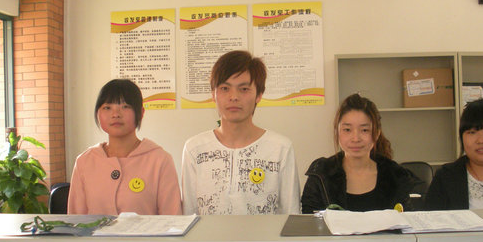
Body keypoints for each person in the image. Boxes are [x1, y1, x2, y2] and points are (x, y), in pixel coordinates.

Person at [181, 50, 300, 215]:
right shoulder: (194, 149)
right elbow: (189, 214)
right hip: (208, 234)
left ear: (259, 95)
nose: (233, 97)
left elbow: (291, 214)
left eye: (244, 89)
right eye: (224, 88)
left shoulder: (280, 149)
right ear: (213, 94)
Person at [68, 79, 182, 215]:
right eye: (107, 108)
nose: (115, 114)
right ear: (98, 113)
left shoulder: (160, 160)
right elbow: (76, 219)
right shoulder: (84, 162)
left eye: (125, 106)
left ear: (141, 112)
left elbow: (173, 219)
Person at [301, 93, 416, 213]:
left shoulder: (395, 176)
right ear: (337, 132)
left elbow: (407, 219)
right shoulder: (321, 173)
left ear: (377, 133)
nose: (355, 138)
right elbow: (309, 220)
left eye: (364, 130)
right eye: (347, 130)